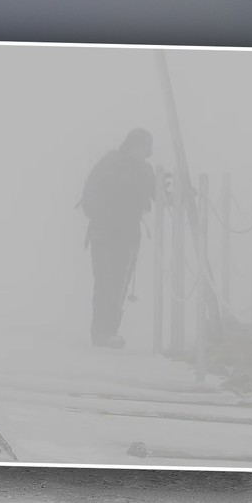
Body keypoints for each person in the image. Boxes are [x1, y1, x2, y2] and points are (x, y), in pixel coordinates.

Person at [79, 127, 157, 349]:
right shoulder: (110, 163)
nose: (140, 152)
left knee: (120, 283)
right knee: (105, 281)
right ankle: (100, 333)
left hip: (129, 234)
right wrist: (105, 216)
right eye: (137, 146)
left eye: (144, 148)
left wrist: (179, 194)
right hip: (104, 233)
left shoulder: (145, 170)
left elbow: (159, 191)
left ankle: (110, 331)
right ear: (129, 145)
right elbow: (89, 196)